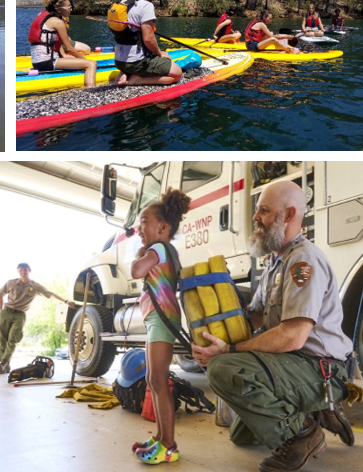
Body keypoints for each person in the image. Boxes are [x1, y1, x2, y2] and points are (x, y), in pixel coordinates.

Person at [193, 180, 354, 472]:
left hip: (317, 366)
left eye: (264, 211)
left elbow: (293, 337)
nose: (255, 218)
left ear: (289, 215)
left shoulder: (302, 261)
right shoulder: (274, 264)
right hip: (292, 364)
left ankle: (304, 434)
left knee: (223, 370)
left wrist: (227, 351)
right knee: (241, 435)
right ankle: (315, 409)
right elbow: (253, 316)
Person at [129, 189, 191, 465]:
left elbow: (136, 271)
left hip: (162, 320)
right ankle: (160, 437)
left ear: (163, 228)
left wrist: (140, 252)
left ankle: (168, 445)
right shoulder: (167, 250)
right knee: (155, 381)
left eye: (144, 221)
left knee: (158, 381)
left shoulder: (158, 249)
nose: (139, 227)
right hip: (159, 319)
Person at [0, 263, 75, 374]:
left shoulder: (35, 286)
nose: (23, 271)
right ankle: (5, 365)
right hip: (6, 312)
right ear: (18, 271)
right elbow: (0, 294)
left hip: (20, 315)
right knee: (3, 338)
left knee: (13, 338)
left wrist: (65, 301)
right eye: (21, 270)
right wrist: (0, 311)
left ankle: (3, 362)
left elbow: (50, 294)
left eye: (25, 270)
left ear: (29, 271)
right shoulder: (11, 283)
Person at [111, 0, 183, 87]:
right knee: (177, 73)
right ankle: (136, 80)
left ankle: (125, 72)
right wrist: (160, 54)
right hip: (136, 62)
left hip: (119, 61)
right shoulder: (146, 5)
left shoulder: (121, 3)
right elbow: (148, 39)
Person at [28, 0, 97, 86]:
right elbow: (69, 48)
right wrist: (85, 61)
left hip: (37, 62)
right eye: (68, 7)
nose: (71, 9)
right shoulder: (58, 22)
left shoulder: (44, 17)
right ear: (59, 10)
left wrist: (63, 55)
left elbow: (54, 42)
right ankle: (90, 92)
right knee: (91, 64)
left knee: (82, 61)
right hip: (47, 62)